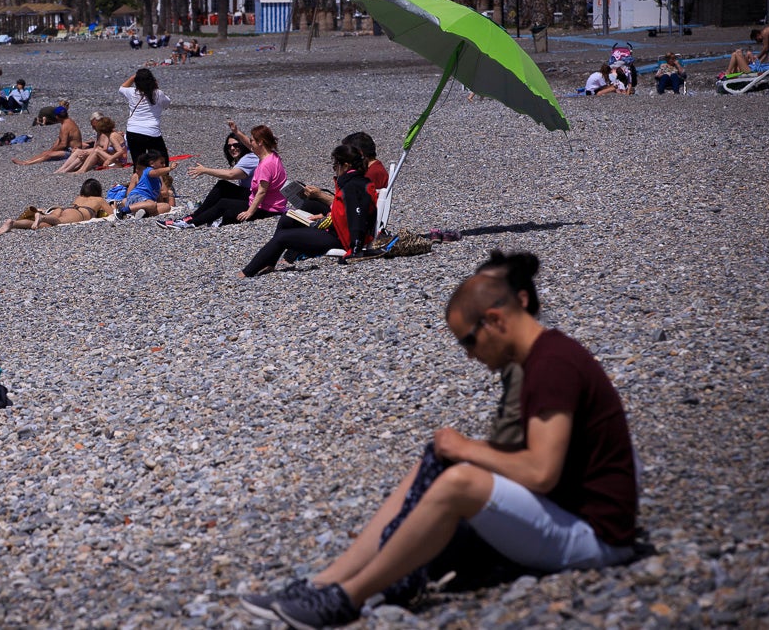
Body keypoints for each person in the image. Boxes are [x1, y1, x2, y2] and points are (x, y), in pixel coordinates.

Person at [238, 268, 638, 629]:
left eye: (468, 341)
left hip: (598, 537)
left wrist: (466, 448)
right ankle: (327, 581)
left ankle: (347, 598)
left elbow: (540, 472)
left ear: (494, 320)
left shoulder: (553, 366)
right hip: (569, 512)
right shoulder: (545, 357)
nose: (468, 353)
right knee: (438, 461)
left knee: (459, 480)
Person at [238, 144, 375, 278]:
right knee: (287, 219)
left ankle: (246, 273)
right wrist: (326, 216)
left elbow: (358, 217)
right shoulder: (354, 181)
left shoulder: (352, 186)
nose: (334, 168)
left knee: (283, 237)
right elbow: (345, 211)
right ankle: (269, 263)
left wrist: (354, 249)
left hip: (340, 239)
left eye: (335, 165)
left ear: (346, 166)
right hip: (337, 231)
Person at [169, 124, 287, 229]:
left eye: (252, 141)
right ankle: (199, 219)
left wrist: (250, 212)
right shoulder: (272, 155)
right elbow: (250, 146)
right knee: (227, 207)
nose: (250, 144)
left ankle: (191, 223)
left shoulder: (266, 164)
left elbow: (261, 191)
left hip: (267, 208)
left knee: (224, 204)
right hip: (270, 204)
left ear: (260, 142)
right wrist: (237, 132)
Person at [176, 126, 260, 226]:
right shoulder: (246, 158)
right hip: (251, 195)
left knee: (223, 187)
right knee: (223, 192)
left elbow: (231, 174)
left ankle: (193, 218)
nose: (232, 148)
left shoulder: (250, 158)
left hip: (256, 198)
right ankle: (198, 217)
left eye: (236, 145)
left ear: (243, 145)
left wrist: (205, 170)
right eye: (229, 146)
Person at [0, 178, 115, 234]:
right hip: (80, 213)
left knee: (45, 225)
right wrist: (114, 206)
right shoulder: (99, 199)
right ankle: (41, 216)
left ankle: (13, 223)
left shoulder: (79, 197)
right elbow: (112, 214)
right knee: (58, 221)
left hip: (64, 209)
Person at [119, 68, 170, 161]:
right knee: (161, 162)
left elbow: (121, 88)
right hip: (151, 131)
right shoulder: (158, 93)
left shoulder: (132, 92)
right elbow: (167, 103)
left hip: (133, 131)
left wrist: (134, 77)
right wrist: (155, 86)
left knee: (139, 164)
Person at [12, 105, 83, 165]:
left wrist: (52, 150)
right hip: (71, 149)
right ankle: (27, 161)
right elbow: (60, 140)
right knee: (46, 152)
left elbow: (63, 144)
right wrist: (52, 149)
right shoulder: (69, 122)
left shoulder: (65, 126)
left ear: (57, 117)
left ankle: (26, 163)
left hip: (73, 152)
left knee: (48, 155)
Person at [55, 115, 127, 174]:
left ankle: (81, 170)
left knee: (96, 151)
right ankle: (69, 170)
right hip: (117, 160)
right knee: (95, 151)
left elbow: (120, 151)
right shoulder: (112, 134)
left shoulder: (112, 136)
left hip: (119, 163)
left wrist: (109, 160)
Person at [118, 150, 177, 217]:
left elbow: (159, 195)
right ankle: (124, 211)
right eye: (161, 163)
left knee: (166, 206)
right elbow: (155, 172)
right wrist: (170, 168)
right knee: (152, 205)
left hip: (146, 201)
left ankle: (144, 214)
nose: (164, 165)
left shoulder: (158, 178)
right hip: (139, 197)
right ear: (152, 163)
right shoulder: (148, 171)